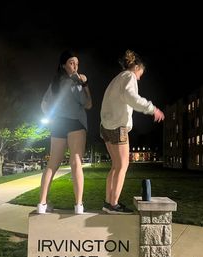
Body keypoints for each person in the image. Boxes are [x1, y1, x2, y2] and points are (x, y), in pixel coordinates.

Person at [100, 49, 165, 214]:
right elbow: (132, 97)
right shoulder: (129, 77)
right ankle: (114, 204)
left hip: (105, 127)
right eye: (141, 73)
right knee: (123, 164)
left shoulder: (116, 79)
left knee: (115, 166)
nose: (140, 77)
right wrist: (152, 109)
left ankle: (108, 202)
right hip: (118, 127)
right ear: (137, 68)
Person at [37, 49, 92, 214]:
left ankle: (42, 204)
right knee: (76, 162)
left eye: (77, 63)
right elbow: (88, 104)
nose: (75, 66)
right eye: (71, 63)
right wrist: (85, 84)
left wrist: (52, 118)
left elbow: (44, 104)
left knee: (52, 164)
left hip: (58, 124)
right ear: (63, 65)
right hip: (75, 123)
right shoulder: (75, 81)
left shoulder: (54, 83)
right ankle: (78, 205)